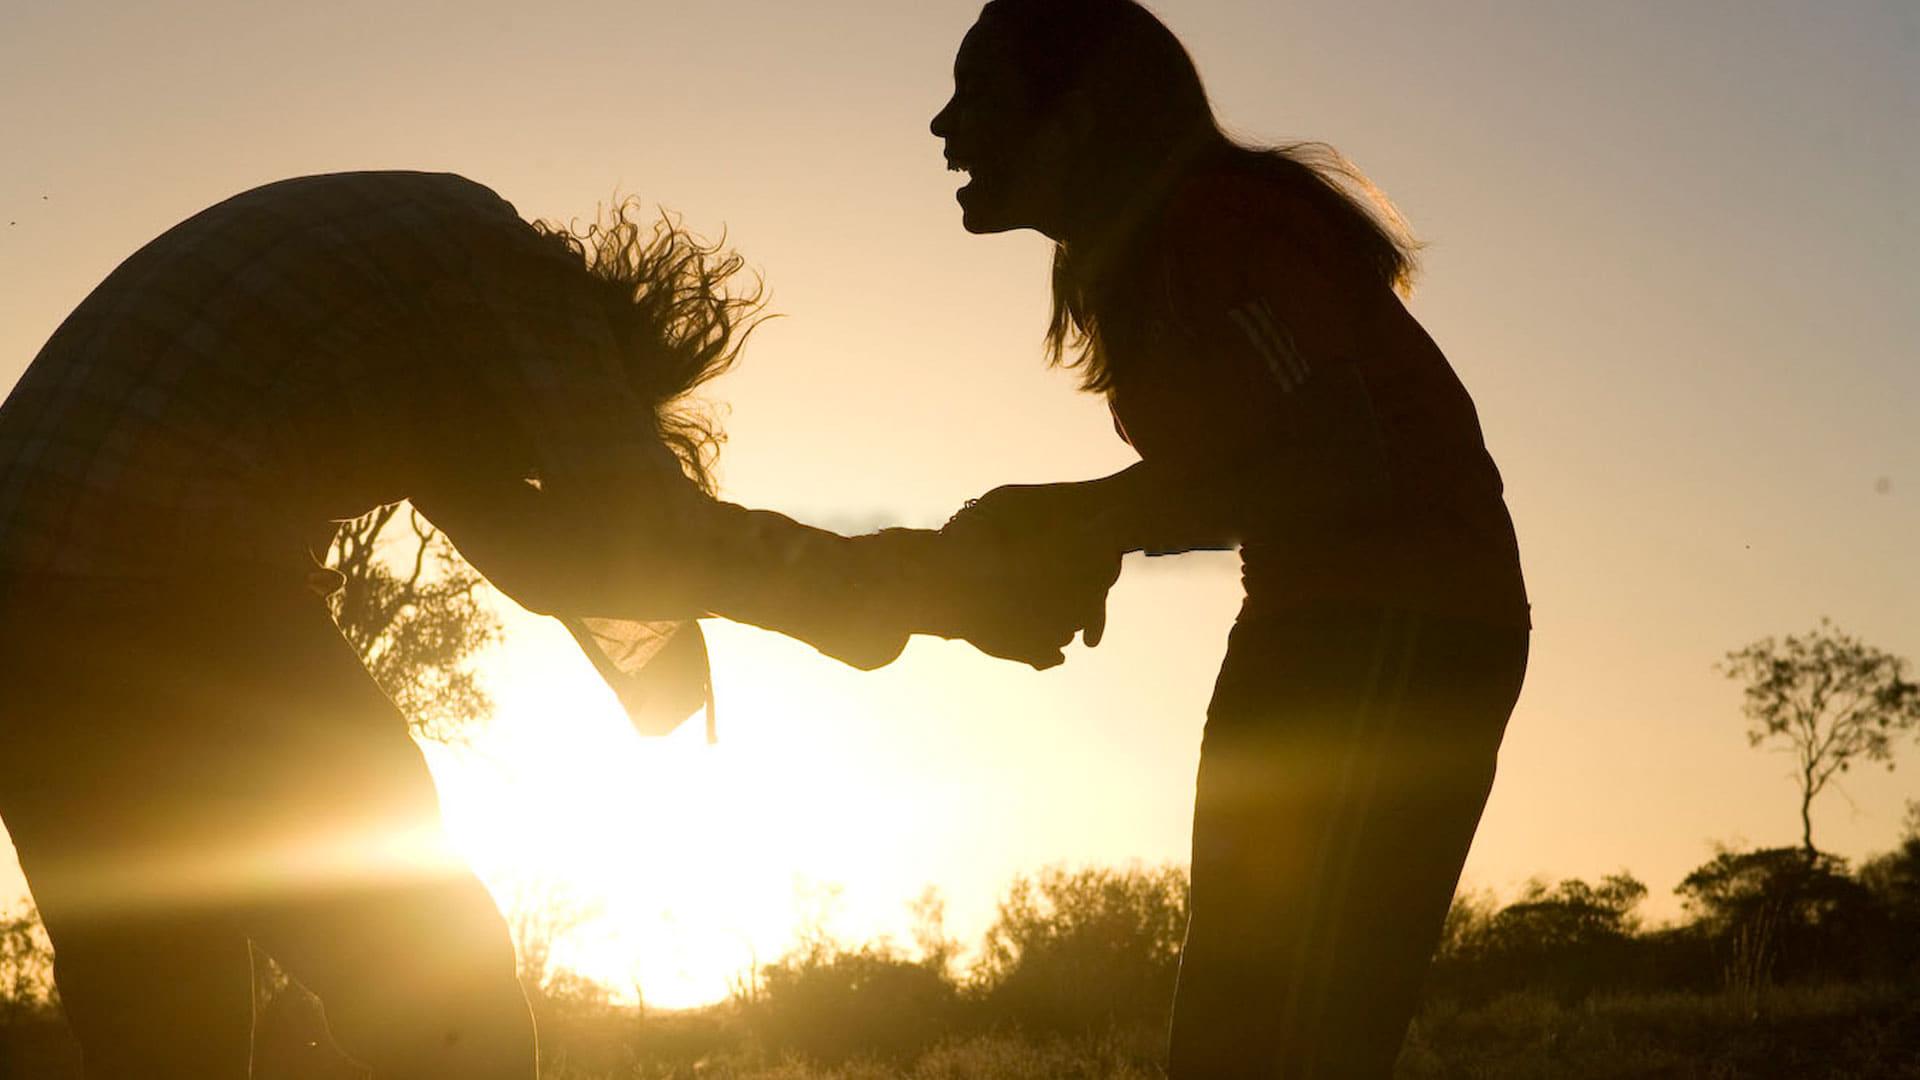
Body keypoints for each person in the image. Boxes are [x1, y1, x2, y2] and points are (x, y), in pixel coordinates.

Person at [0, 170, 1117, 1079]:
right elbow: (644, 532)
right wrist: (933, 586)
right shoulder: (514, 278)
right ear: (604, 373)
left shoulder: (411, 313)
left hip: (27, 626)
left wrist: (892, 605)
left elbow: (549, 560)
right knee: (437, 984)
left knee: (166, 1031)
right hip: (164, 581)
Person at [930, 1, 1531, 1074]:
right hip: (1318, 620)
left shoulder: (1215, 223)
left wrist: (1093, 519)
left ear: (1079, 117)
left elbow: (1339, 463)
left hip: (1403, 622)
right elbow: (1262, 470)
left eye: (979, 93)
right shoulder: (1141, 259)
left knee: (1286, 1039)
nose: (944, 125)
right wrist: (1098, 530)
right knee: (1239, 1035)